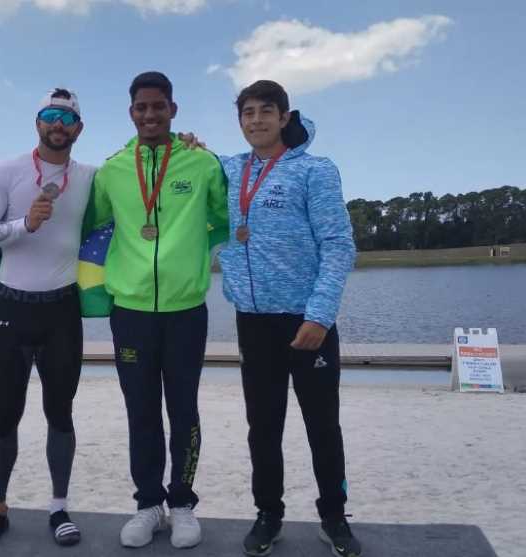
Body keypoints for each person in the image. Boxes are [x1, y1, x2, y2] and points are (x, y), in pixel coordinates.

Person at [217, 80, 360, 557]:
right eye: (247, 113)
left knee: (323, 425)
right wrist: (188, 142)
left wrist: (320, 315)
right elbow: (185, 165)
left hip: (307, 320)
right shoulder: (228, 169)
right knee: (263, 426)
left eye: (265, 111)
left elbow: (339, 245)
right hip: (253, 322)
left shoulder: (315, 171)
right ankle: (268, 514)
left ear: (284, 117)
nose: (255, 120)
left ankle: (334, 516)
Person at [88, 71, 228, 549]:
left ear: (173, 109)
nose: (150, 114)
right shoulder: (112, 170)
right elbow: (88, 223)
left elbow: (229, 218)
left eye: (158, 106)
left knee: (183, 410)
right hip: (129, 311)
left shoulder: (202, 161)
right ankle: (149, 503)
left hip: (186, 308)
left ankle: (183, 503)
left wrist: (196, 253)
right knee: (141, 411)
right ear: (131, 113)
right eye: (141, 107)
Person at [0, 88, 93, 549]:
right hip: (10, 310)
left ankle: (58, 507)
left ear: (79, 128)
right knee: (6, 415)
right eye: (51, 115)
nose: (59, 124)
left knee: (60, 414)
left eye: (68, 117)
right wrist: (24, 225)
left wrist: (187, 145)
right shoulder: (8, 171)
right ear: (38, 122)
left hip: (61, 311)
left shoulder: (91, 177)